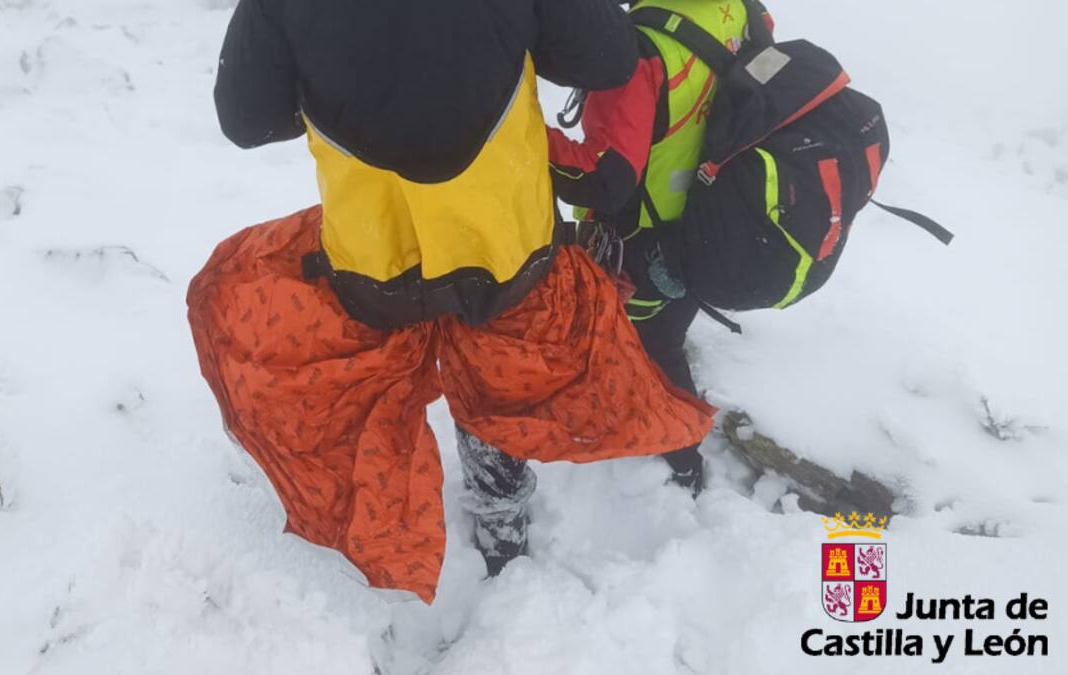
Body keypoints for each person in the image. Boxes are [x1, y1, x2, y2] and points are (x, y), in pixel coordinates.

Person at [187, 0, 716, 602]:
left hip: (376, 257)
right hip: (503, 245)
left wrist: (338, 84)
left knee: (374, 393)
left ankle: (380, 542)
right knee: (498, 375)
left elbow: (247, 120)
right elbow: (610, 57)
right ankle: (502, 529)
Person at [546, 0, 774, 496]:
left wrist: (521, 139)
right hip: (711, 224)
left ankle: (683, 459)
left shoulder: (636, 52)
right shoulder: (740, 9)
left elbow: (603, 178)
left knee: (654, 346)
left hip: (643, 246)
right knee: (662, 337)